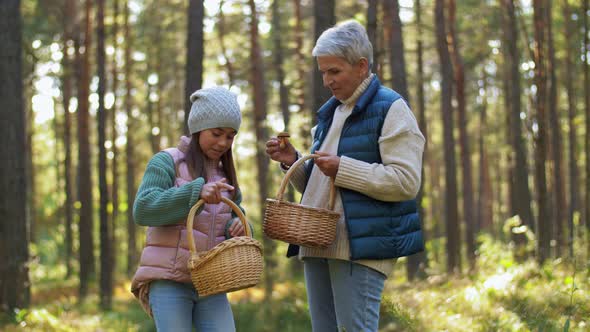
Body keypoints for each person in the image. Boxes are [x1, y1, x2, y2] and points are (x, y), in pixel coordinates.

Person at [265, 20, 425, 331]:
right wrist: (293, 161)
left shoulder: (391, 109)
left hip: (358, 248)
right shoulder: (332, 113)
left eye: (334, 71)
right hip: (315, 243)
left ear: (362, 66)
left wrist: (344, 168)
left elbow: (406, 182)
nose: (326, 81)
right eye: (323, 72)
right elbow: (321, 185)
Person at [131, 86, 247, 332]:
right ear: (198, 128)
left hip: (211, 283)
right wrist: (194, 193)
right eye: (216, 133)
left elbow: (234, 220)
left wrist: (235, 227)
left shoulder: (226, 176)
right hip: (168, 281)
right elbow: (143, 210)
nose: (223, 142)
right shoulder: (167, 161)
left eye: (230, 136)